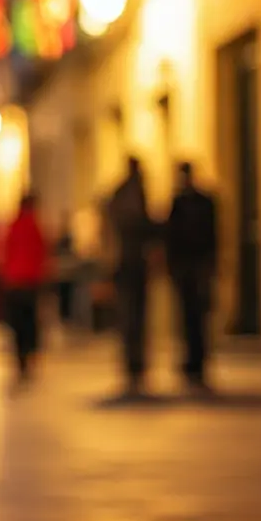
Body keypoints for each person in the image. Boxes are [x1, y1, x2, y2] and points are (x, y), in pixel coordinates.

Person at [103, 156, 155, 396]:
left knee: (132, 319)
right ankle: (134, 366)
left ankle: (135, 366)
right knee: (132, 318)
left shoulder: (121, 194)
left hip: (129, 266)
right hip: (130, 266)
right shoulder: (130, 195)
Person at [165, 161, 218, 393]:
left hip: (194, 267)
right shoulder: (187, 203)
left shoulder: (191, 203)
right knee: (192, 318)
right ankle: (194, 363)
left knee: (195, 317)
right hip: (191, 267)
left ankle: (197, 363)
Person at [2, 194, 50, 390]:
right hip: (30, 282)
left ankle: (20, 359)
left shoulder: (13, 225)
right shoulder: (35, 226)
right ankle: (29, 357)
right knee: (30, 322)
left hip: (14, 281)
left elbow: (7, 251)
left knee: (17, 324)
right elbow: (42, 253)